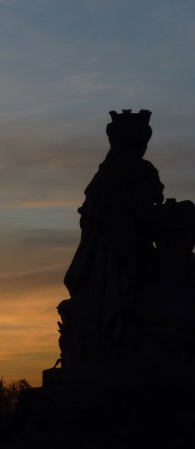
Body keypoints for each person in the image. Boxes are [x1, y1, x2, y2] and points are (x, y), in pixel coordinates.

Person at [63, 109, 163, 360]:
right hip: (127, 256)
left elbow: (90, 220)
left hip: (101, 259)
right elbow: (145, 217)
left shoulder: (103, 176)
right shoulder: (140, 172)